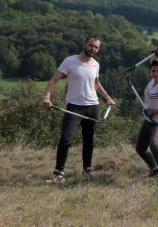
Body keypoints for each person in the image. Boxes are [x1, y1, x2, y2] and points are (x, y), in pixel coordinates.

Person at [42, 35, 115, 183]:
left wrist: (107, 97)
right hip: (74, 107)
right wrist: (46, 97)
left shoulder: (95, 64)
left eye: (96, 47)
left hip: (93, 106)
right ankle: (58, 174)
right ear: (85, 44)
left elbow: (96, 83)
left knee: (89, 141)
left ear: (98, 49)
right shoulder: (70, 61)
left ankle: (87, 170)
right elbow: (54, 80)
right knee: (65, 139)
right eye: (90, 45)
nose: (92, 49)